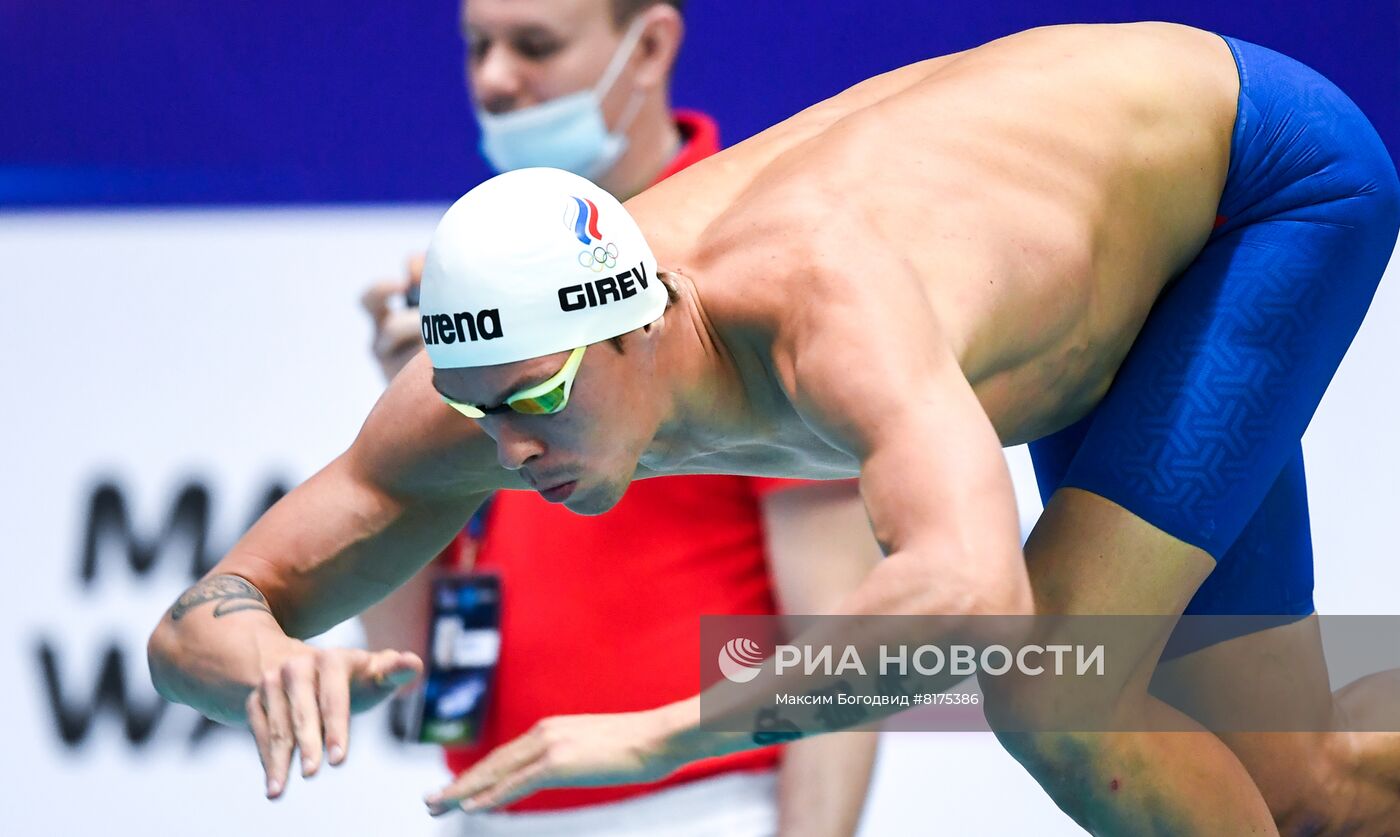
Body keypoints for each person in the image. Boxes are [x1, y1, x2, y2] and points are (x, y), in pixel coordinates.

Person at [148, 22, 1400, 835]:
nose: (509, 451)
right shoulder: (488, 398)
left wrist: (661, 733)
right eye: (480, 410)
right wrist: (259, 656)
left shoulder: (819, 302)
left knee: (1053, 688)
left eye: (535, 399)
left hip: (1257, 186)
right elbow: (194, 622)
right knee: (1298, 790)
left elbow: (972, 601)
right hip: (1099, 262)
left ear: (639, 326)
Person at [355, 1, 881, 834]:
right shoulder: (480, 274)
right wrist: (415, 422)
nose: (494, 79)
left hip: (702, 806)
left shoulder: (756, 257)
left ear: (651, 46)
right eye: (477, 46)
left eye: (535, 45)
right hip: (487, 808)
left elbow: (839, 643)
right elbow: (405, 656)